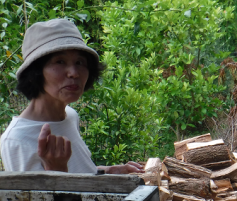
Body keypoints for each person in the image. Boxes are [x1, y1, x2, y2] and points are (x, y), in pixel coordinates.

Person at [0, 19, 144, 174]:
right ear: (35, 72)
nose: (74, 73)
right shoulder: (17, 140)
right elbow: (32, 198)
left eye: (80, 62)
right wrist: (57, 171)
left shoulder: (69, 115)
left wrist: (108, 171)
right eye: (60, 61)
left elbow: (80, 172)